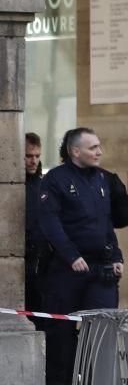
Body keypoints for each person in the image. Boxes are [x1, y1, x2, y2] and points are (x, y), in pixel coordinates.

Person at [39, 127, 124, 385]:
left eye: (99, 146)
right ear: (75, 151)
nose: (99, 152)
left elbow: (106, 225)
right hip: (67, 268)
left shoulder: (102, 180)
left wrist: (118, 257)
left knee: (102, 328)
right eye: (93, 148)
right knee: (62, 331)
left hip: (100, 267)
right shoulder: (56, 180)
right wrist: (71, 255)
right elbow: (51, 223)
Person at [24, 133, 48, 329]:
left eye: (37, 156)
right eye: (29, 156)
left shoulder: (43, 186)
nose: (33, 161)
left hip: (40, 259)